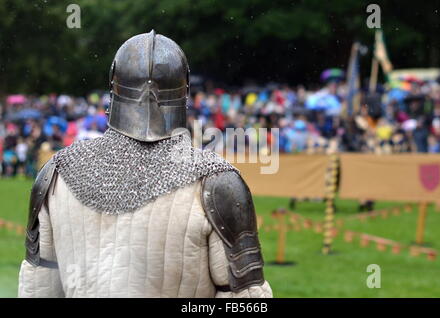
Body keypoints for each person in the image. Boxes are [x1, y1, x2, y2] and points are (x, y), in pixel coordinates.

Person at [18, 30, 272, 298]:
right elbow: (245, 299)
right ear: (184, 91)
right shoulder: (218, 183)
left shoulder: (57, 173)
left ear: (113, 87)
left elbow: (39, 288)